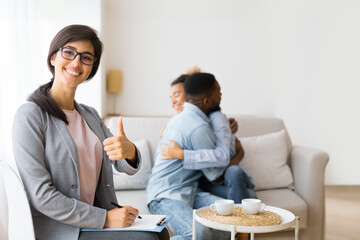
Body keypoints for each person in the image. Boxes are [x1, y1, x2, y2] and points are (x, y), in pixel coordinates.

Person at [12, 24, 169, 240]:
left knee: (162, 233)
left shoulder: (90, 115)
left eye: (86, 57)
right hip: (62, 228)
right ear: (53, 58)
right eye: (69, 52)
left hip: (96, 220)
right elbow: (41, 196)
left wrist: (129, 150)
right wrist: (105, 218)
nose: (76, 62)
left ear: (91, 68)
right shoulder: (30, 115)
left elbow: (121, 164)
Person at [147, 72, 236, 240]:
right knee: (200, 233)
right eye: (218, 90)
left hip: (190, 191)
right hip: (166, 195)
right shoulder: (198, 127)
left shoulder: (183, 118)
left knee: (231, 223)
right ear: (207, 100)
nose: (221, 94)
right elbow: (214, 173)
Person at [162, 72, 256, 203]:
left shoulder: (211, 119)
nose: (173, 102)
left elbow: (224, 155)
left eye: (177, 95)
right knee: (250, 197)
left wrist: (182, 154)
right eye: (171, 97)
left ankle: (241, 217)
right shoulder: (177, 125)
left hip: (219, 176)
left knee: (240, 183)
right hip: (203, 181)